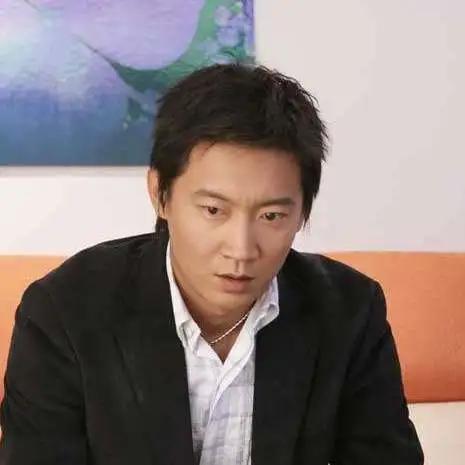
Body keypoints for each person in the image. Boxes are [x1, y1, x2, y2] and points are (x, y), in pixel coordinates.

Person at [0, 63, 424, 465]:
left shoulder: (350, 311)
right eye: (213, 210)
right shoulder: (64, 312)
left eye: (271, 216)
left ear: (302, 212)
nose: (241, 249)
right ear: (160, 194)